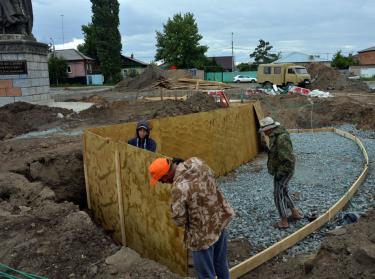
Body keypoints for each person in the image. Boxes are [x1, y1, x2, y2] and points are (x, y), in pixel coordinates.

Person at [148, 157, 234, 279]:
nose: (163, 182)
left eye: (161, 179)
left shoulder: (178, 188)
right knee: (221, 264)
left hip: (201, 237)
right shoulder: (196, 162)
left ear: (167, 173)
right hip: (218, 222)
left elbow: (180, 220)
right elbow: (212, 179)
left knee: (206, 275)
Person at [259, 116, 302, 229]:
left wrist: (280, 173)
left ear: (269, 129)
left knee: (278, 195)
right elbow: (276, 153)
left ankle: (284, 221)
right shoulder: (276, 136)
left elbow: (288, 159)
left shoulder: (281, 138)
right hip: (283, 169)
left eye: (265, 131)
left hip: (284, 170)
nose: (265, 134)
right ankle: (295, 213)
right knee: (284, 192)